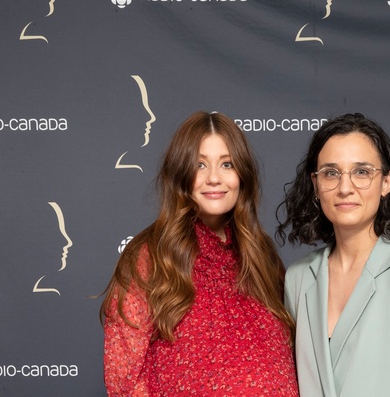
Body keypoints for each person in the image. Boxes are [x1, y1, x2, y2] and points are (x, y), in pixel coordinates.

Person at [101, 111, 299, 396]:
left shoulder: (261, 254)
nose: (214, 178)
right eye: (200, 165)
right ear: (181, 173)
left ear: (242, 174)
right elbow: (124, 378)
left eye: (227, 164)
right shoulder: (149, 257)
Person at [277, 113, 390, 397]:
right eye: (331, 173)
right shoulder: (298, 277)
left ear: (386, 182)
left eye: (361, 172)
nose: (345, 187)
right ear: (315, 184)